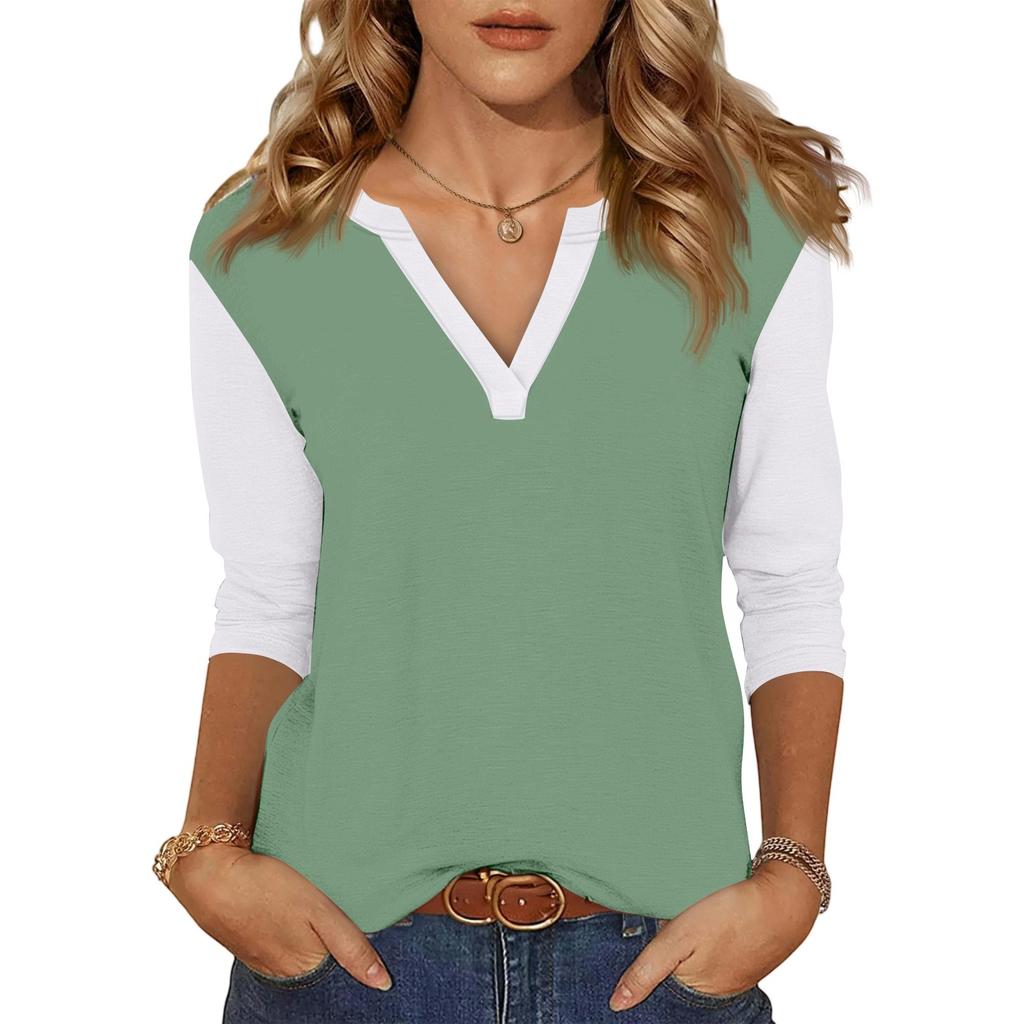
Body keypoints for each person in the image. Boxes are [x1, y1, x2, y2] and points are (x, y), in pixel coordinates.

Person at [157, 2, 866, 1020]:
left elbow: (790, 583)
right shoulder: (266, 243)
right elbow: (270, 596)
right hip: (341, 960)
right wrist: (207, 850)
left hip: (663, 965)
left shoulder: (748, 228)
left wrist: (793, 873)